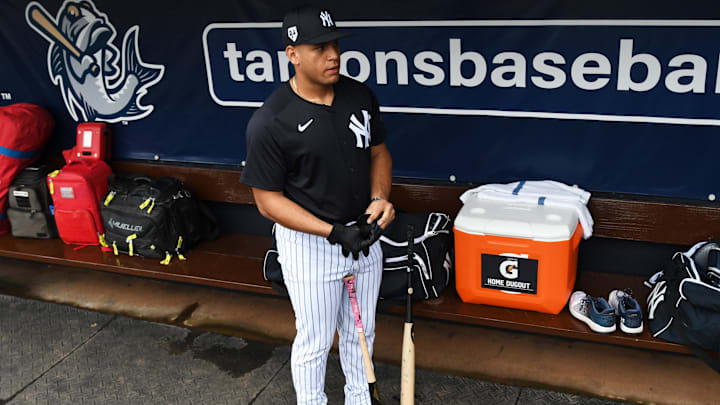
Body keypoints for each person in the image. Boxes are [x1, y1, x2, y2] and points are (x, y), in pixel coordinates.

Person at [239, 6, 395, 405]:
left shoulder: (359, 94)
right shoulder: (272, 120)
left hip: (364, 235)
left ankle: (361, 399)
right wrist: (331, 230)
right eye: (319, 47)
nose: (333, 55)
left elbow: (379, 153)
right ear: (292, 54)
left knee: (363, 332)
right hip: (311, 246)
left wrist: (379, 199)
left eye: (335, 45)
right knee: (315, 340)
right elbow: (267, 201)